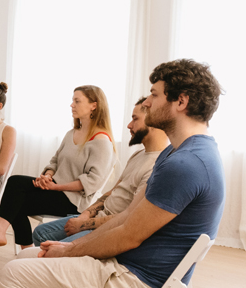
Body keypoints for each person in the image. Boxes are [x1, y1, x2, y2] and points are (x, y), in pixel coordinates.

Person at [0, 59, 224, 288]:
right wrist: (71, 245)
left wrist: (71, 249)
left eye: (155, 94)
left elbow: (129, 235)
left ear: (180, 101)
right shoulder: (177, 153)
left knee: (14, 274)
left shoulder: (186, 164)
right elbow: (126, 217)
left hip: (141, 287)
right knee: (29, 257)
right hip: (135, 274)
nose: (147, 102)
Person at [0, 85, 117, 252]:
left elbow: (92, 182)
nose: (72, 105)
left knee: (15, 199)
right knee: (14, 187)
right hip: (55, 188)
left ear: (94, 105)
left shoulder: (101, 141)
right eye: (72, 101)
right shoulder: (71, 133)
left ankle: (13, 242)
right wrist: (48, 176)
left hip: (73, 200)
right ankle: (18, 245)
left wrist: (56, 186)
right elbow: (54, 162)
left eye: (77, 101)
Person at [31, 97, 167, 245]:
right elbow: (111, 192)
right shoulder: (138, 155)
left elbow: (130, 217)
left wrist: (84, 225)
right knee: (40, 233)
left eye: (135, 119)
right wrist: (85, 215)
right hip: (97, 218)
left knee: (49, 248)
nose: (129, 125)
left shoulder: (158, 166)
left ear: (153, 120)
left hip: (110, 229)